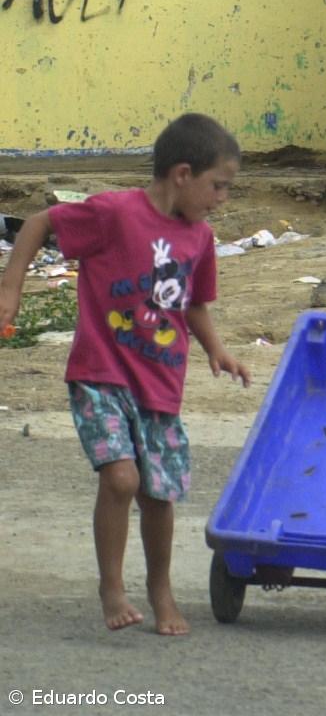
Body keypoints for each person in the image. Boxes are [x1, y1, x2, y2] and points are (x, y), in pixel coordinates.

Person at [0, 114, 250, 634]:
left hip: (160, 382)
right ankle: (111, 587)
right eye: (218, 186)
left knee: (158, 494)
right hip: (100, 371)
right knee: (121, 477)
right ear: (182, 174)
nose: (222, 199)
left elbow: (194, 305)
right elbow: (38, 223)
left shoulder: (199, 238)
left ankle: (160, 589)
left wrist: (218, 351)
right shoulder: (115, 213)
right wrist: (11, 287)